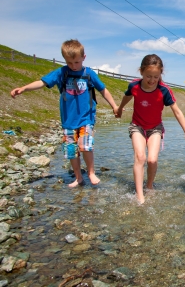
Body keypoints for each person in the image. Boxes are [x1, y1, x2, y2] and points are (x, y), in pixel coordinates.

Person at [10, 39, 118, 187]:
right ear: (65, 60)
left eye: (77, 62)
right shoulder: (61, 73)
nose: (74, 66)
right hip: (68, 120)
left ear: (83, 58)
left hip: (86, 118)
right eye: (69, 63)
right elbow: (42, 82)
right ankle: (78, 177)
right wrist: (24, 88)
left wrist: (114, 106)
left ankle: (91, 172)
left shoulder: (89, 74)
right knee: (71, 150)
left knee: (85, 145)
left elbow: (103, 90)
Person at [115, 54, 185, 204]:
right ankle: (140, 196)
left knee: (152, 159)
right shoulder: (134, 86)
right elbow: (127, 96)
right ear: (141, 72)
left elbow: (177, 111)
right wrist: (119, 108)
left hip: (155, 128)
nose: (152, 80)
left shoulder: (164, 90)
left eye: (155, 77)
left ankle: (149, 185)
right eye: (148, 76)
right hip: (137, 126)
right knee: (140, 157)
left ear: (161, 74)